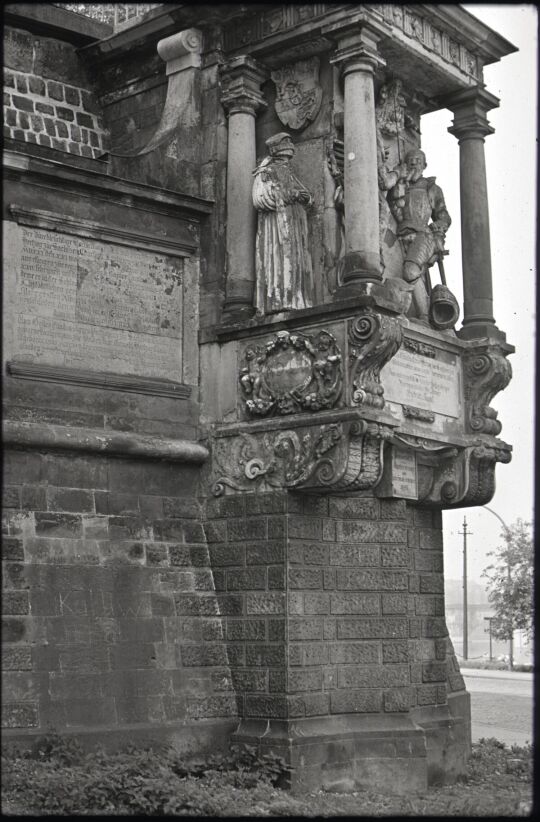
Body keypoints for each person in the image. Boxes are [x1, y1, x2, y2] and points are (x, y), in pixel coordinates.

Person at [252, 132, 314, 314]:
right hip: (278, 222)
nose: (290, 148)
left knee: (294, 257)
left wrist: (306, 197)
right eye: (286, 144)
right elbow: (261, 198)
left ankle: (295, 297)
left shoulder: (289, 172)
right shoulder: (267, 172)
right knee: (280, 256)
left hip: (294, 220)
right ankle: (280, 299)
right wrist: (292, 195)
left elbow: (304, 194)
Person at [388, 148, 451, 323]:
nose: (414, 163)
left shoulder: (431, 188)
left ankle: (411, 311)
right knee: (415, 276)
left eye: (418, 161)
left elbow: (444, 216)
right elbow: (398, 214)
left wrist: (438, 228)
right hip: (401, 237)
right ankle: (423, 316)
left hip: (424, 236)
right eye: (410, 161)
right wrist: (396, 200)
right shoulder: (402, 186)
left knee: (411, 272)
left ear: (424, 165)